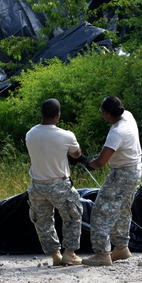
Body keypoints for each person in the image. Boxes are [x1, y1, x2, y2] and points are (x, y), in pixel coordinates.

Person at [82, 96, 142, 267]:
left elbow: (100, 162)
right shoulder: (128, 116)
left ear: (108, 114)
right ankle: (121, 248)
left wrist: (86, 162)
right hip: (135, 170)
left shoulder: (117, 133)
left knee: (101, 211)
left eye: (102, 112)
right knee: (122, 209)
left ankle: (102, 254)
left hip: (122, 174)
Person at [25, 99, 86, 266]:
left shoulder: (30, 134)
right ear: (58, 115)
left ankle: (55, 256)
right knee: (73, 216)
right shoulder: (67, 135)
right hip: (59, 184)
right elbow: (76, 154)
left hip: (37, 185)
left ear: (42, 114)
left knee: (43, 221)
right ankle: (70, 253)